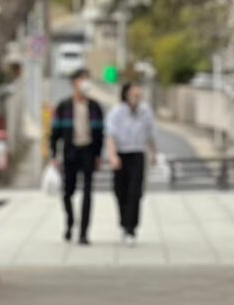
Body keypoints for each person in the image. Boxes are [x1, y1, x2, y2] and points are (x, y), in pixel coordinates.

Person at [50, 67, 104, 245]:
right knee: (68, 192)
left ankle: (84, 232)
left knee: (88, 192)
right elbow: (55, 132)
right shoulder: (64, 106)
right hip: (69, 152)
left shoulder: (95, 107)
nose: (86, 83)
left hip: (88, 152)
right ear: (74, 83)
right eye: (82, 79)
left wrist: (98, 155)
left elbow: (100, 133)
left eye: (88, 79)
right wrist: (54, 155)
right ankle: (70, 221)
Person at [106, 81, 157, 246]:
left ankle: (131, 227)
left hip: (137, 153)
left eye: (138, 94)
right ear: (126, 94)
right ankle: (123, 222)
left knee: (135, 191)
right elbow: (111, 134)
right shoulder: (117, 112)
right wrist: (113, 155)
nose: (136, 97)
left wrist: (154, 153)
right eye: (134, 94)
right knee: (120, 191)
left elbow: (151, 133)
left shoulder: (146, 111)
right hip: (121, 154)